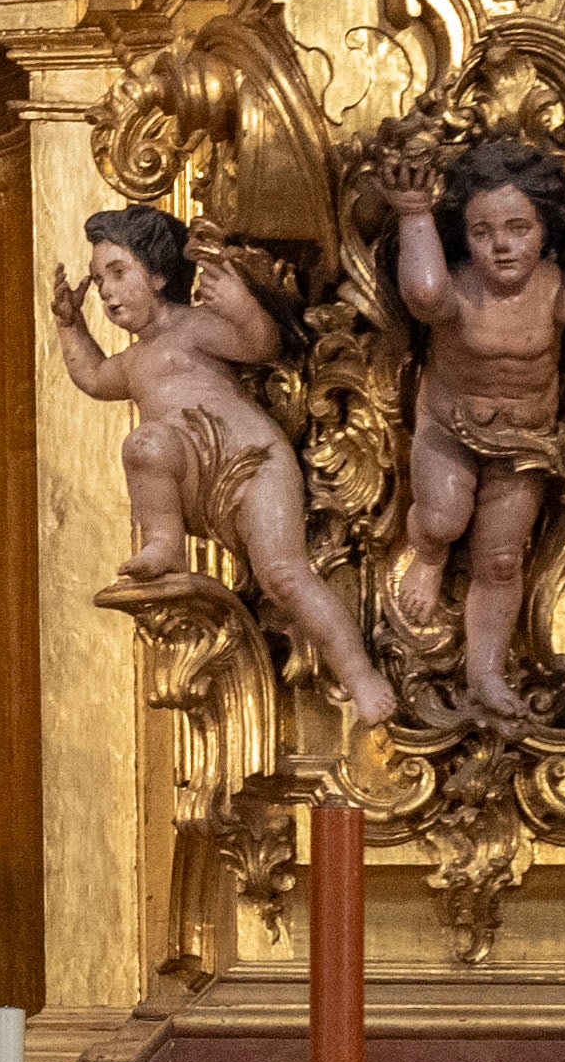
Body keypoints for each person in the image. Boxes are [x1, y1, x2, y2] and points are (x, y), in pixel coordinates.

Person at [58, 207, 399, 729]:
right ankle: (164, 543)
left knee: (284, 575)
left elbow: (260, 345)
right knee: (143, 444)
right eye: (99, 278)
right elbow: (95, 377)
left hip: (251, 460)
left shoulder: (194, 328)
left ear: (158, 274)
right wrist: (69, 324)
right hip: (197, 479)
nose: (105, 290)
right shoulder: (133, 361)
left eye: (118, 273)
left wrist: (241, 305)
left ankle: (360, 677)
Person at [386, 134, 565, 727]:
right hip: (450, 428)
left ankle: (487, 672)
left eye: (518, 228)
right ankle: (426, 552)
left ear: (545, 230)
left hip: (525, 446)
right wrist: (414, 214)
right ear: (464, 238)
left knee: (500, 561)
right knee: (444, 518)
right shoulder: (460, 290)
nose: (500, 246)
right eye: (481, 232)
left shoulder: (550, 287)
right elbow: (421, 294)